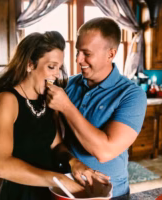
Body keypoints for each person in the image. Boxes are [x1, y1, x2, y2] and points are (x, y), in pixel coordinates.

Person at [0, 31, 108, 200]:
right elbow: (1, 166)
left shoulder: (48, 100)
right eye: (51, 66)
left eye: (59, 67)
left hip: (49, 194)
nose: (56, 74)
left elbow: (56, 147)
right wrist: (61, 180)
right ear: (29, 64)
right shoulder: (7, 101)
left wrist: (74, 163)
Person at [46, 18, 147, 199]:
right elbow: (57, 142)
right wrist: (72, 161)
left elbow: (104, 152)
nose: (78, 60)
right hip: (68, 190)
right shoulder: (69, 86)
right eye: (77, 51)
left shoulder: (132, 95)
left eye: (87, 53)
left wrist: (66, 106)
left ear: (111, 54)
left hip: (111, 194)